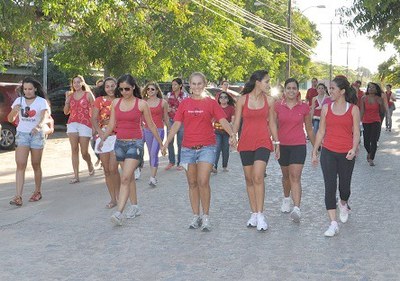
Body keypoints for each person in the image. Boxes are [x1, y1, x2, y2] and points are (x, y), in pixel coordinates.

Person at [162, 72, 236, 231]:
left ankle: (206, 216)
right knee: (192, 183)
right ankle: (196, 216)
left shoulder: (211, 103)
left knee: (203, 181)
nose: (196, 87)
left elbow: (223, 120)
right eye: (193, 84)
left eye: (199, 84)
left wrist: (232, 135)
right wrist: (167, 141)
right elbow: (176, 124)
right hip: (188, 149)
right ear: (190, 85)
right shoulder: (184, 104)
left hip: (207, 147)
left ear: (204, 84)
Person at [99, 74, 163, 226]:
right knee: (130, 178)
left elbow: (151, 125)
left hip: (135, 143)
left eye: (127, 89)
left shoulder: (141, 104)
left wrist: (161, 143)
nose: (124, 92)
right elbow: (112, 123)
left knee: (125, 178)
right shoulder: (115, 102)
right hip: (120, 143)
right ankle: (135, 206)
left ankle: (119, 212)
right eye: (120, 89)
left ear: (133, 87)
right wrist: (103, 139)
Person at [312, 75, 360, 237]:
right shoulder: (326, 108)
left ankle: (343, 202)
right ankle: (333, 223)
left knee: (344, 188)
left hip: (346, 153)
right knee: (329, 187)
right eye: (329, 88)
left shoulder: (353, 109)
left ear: (342, 91)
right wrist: (314, 151)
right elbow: (321, 131)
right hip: (328, 152)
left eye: (332, 88)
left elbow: (356, 133)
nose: (329, 91)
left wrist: (354, 148)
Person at [232, 70, 279, 231]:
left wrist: (277, 142)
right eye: (266, 81)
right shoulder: (242, 100)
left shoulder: (270, 101)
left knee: (258, 176)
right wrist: (233, 136)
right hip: (245, 142)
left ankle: (260, 214)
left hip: (263, 142)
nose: (268, 84)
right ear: (257, 82)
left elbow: (272, 123)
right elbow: (237, 122)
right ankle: (253, 213)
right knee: (249, 179)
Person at [273, 78, 314, 222]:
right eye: (288, 88)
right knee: (286, 177)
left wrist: (315, 147)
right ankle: (286, 198)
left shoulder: (304, 107)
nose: (291, 90)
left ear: (298, 91)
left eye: (294, 88)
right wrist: (275, 144)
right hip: (283, 145)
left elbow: (309, 128)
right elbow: (274, 127)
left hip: (299, 145)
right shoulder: (277, 106)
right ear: (284, 90)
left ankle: (297, 208)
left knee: (295, 176)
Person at [7, 77, 50, 206]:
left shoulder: (41, 102)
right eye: (25, 89)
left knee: (36, 164)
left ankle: (37, 191)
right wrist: (15, 110)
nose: (28, 91)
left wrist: (38, 126)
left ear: (35, 89)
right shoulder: (18, 101)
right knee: (20, 164)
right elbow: (10, 119)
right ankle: (18, 196)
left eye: (30, 89)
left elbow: (44, 117)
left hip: (37, 135)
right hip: (22, 135)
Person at [91, 77, 120, 209]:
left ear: (116, 86)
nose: (110, 89)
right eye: (107, 86)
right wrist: (100, 133)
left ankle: (120, 196)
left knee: (114, 169)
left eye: (112, 86)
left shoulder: (120, 101)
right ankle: (113, 199)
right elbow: (94, 119)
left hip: (117, 136)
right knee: (107, 170)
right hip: (103, 137)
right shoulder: (99, 101)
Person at [63, 75, 95, 184]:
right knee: (74, 149)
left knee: (84, 152)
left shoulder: (88, 95)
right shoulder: (70, 96)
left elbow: (95, 110)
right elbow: (66, 112)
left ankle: (89, 164)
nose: (76, 84)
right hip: (72, 123)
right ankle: (76, 176)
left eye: (78, 82)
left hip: (85, 124)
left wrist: (95, 126)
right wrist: (67, 100)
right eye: (74, 82)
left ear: (82, 83)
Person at [142, 82, 169, 186]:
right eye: (148, 89)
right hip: (147, 130)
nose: (150, 91)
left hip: (159, 130)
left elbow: (166, 117)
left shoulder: (163, 103)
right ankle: (152, 174)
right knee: (150, 153)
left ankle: (152, 177)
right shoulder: (144, 102)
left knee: (154, 153)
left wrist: (170, 129)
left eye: (152, 89)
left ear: (157, 91)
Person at [165, 78, 188, 171]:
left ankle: (180, 162)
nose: (173, 86)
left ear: (180, 85)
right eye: (172, 84)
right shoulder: (169, 94)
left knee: (180, 143)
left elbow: (187, 108)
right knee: (170, 141)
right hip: (171, 120)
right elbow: (165, 106)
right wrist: (167, 109)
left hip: (181, 122)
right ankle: (171, 161)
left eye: (175, 84)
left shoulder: (185, 95)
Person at [360, 82, 385, 166]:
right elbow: (362, 111)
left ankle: (371, 159)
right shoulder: (363, 98)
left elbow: (382, 111)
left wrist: (381, 104)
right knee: (366, 142)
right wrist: (358, 121)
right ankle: (369, 152)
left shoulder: (379, 98)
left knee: (373, 140)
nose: (371, 89)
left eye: (373, 87)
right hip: (366, 121)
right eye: (369, 87)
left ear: (376, 89)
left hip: (376, 121)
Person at [212, 91, 235, 173]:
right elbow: (212, 119)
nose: (223, 99)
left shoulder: (231, 108)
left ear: (228, 99)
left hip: (226, 132)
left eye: (225, 97)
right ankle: (214, 166)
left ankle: (225, 166)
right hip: (217, 131)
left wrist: (230, 125)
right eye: (221, 97)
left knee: (225, 149)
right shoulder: (216, 107)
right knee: (217, 148)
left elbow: (233, 120)